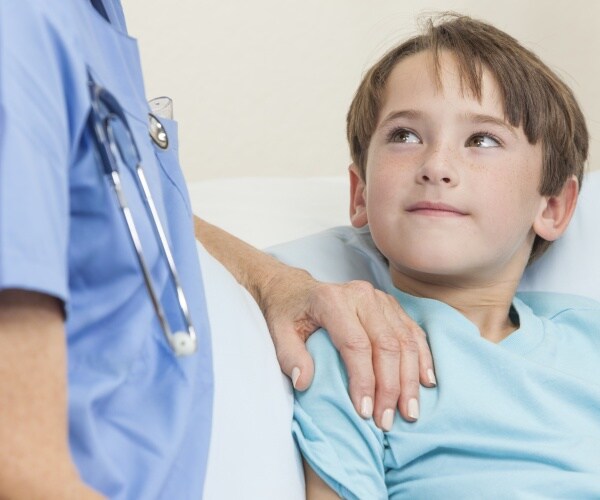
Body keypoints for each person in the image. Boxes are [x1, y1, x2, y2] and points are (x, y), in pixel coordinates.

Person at [0, 1, 437, 498]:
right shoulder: (21, 25)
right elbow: (21, 471)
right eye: (406, 135)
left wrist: (271, 280)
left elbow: (121, 197)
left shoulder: (93, 18)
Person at [286, 13, 600, 499]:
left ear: (554, 206)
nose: (436, 166)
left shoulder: (589, 338)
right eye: (405, 136)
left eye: (482, 140)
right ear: (360, 193)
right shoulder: (352, 353)